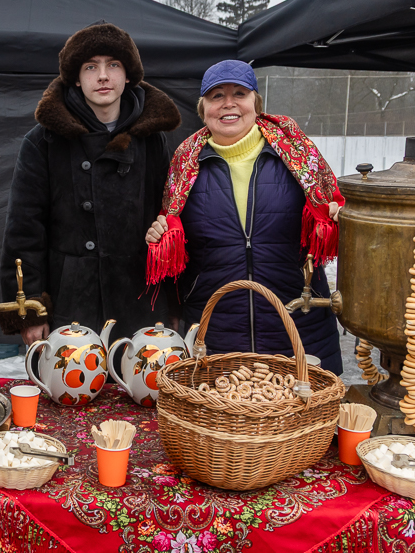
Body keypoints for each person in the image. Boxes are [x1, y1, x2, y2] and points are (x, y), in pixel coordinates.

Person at [145, 60, 345, 374]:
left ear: (256, 103)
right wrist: (158, 235)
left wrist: (338, 216)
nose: (229, 103)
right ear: (203, 108)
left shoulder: (296, 155)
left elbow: (332, 218)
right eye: (216, 96)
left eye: (239, 93)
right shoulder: (184, 165)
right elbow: (175, 248)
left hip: (299, 331)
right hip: (216, 335)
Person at [0, 22, 181, 344]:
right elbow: (24, 229)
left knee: (138, 390)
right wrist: (29, 309)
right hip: (71, 297)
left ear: (128, 75)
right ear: (75, 77)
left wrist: (173, 303)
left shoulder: (153, 140)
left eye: (113, 65)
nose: (102, 76)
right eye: (90, 66)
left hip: (139, 298)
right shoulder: (43, 141)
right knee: (71, 390)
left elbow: (170, 222)